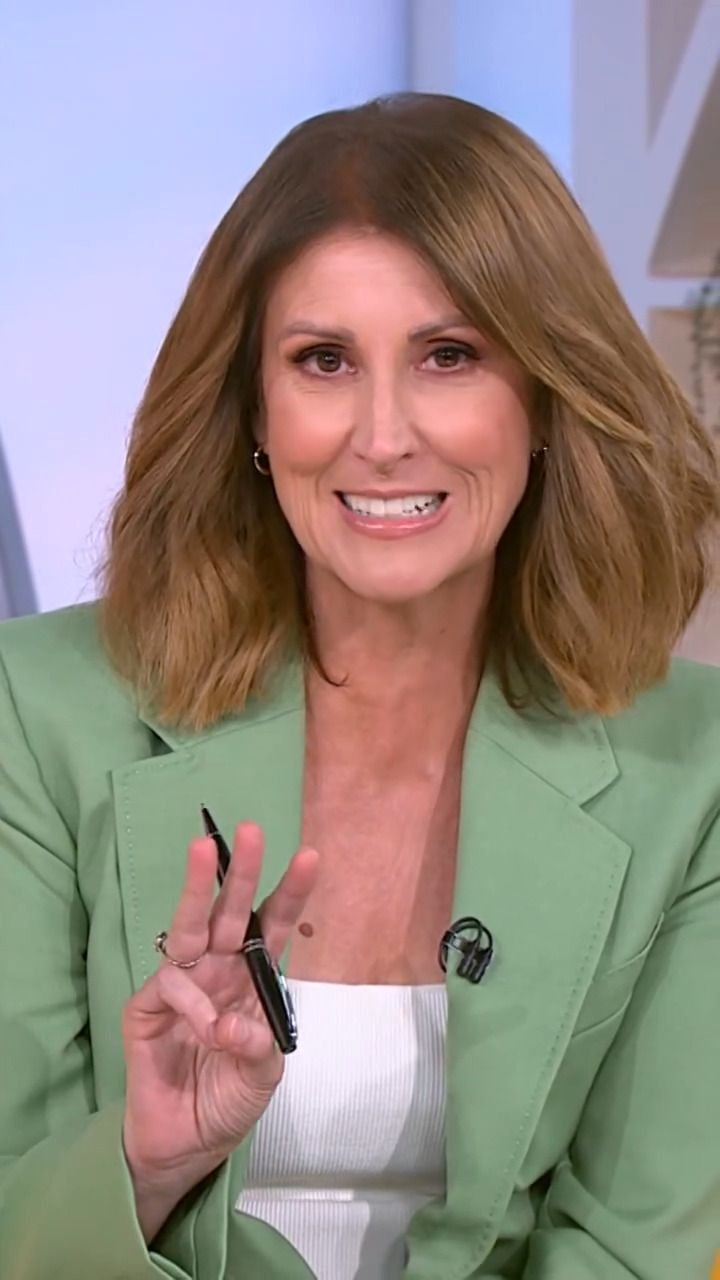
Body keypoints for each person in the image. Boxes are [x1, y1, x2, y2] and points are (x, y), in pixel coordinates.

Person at [0, 92, 718, 1280]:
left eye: (450, 355)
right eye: (323, 360)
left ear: (547, 397)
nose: (383, 436)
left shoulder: (694, 770)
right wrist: (146, 1161)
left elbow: (631, 1249)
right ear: (253, 408)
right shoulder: (35, 712)